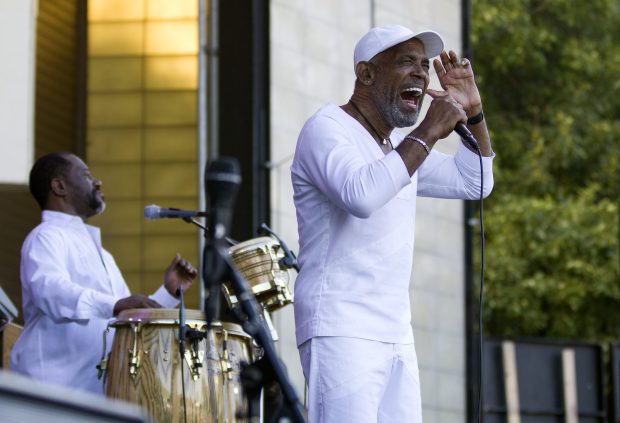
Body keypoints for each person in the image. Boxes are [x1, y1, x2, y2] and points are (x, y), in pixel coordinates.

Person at [291, 25, 495, 422]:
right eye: (406, 62)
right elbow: (361, 196)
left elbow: (477, 181)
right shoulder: (327, 127)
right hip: (340, 328)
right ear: (366, 73)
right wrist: (428, 131)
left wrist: (474, 113)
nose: (421, 73)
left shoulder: (398, 151)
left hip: (397, 334)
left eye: (424, 65)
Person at [10, 152, 198, 394]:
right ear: (59, 186)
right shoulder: (45, 236)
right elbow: (51, 291)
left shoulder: (103, 256)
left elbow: (127, 321)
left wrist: (169, 293)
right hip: (49, 392)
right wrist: (115, 303)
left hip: (94, 395)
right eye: (86, 176)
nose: (98, 182)